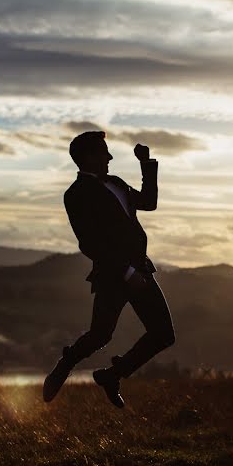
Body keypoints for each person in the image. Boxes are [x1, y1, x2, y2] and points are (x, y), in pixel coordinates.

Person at [42, 131, 175, 408]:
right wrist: (126, 272)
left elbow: (148, 203)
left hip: (141, 269)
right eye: (104, 152)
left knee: (163, 334)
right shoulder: (76, 194)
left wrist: (146, 164)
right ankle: (64, 365)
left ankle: (112, 375)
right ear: (89, 157)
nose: (110, 157)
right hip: (114, 275)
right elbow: (89, 244)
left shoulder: (115, 182)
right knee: (100, 334)